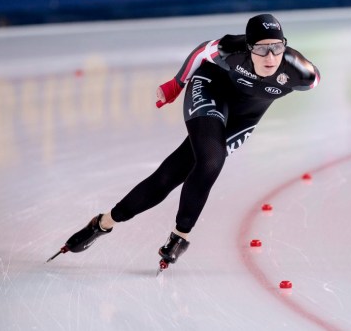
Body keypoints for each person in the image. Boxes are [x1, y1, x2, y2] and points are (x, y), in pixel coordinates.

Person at [47, 14, 320, 269]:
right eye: (260, 49)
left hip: (244, 117)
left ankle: (103, 223)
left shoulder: (302, 73)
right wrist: (177, 84)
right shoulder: (232, 50)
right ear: (248, 48)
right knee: (212, 160)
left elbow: (314, 79)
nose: (270, 56)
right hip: (212, 87)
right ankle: (182, 236)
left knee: (171, 174)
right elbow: (203, 50)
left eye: (276, 47)